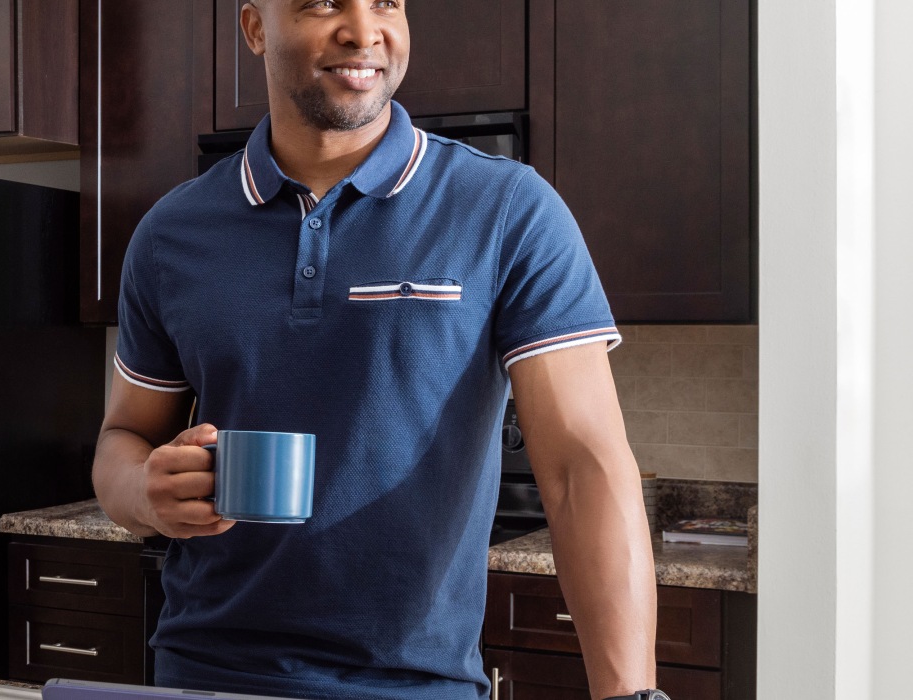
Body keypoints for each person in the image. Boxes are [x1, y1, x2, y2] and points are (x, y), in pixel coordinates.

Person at [91, 1, 663, 699]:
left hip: (420, 685)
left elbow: (584, 468)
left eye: (386, 2)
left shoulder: (508, 209)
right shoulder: (171, 233)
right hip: (205, 676)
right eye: (324, 3)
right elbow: (123, 440)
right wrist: (147, 494)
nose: (364, 31)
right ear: (253, 27)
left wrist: (632, 697)